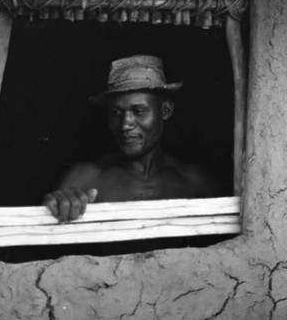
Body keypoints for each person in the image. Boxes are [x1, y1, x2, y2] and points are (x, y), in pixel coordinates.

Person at [43, 55, 219, 222]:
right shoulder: (86, 178)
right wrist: (57, 206)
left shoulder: (194, 181)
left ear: (165, 111)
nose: (125, 124)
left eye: (138, 111)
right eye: (116, 113)